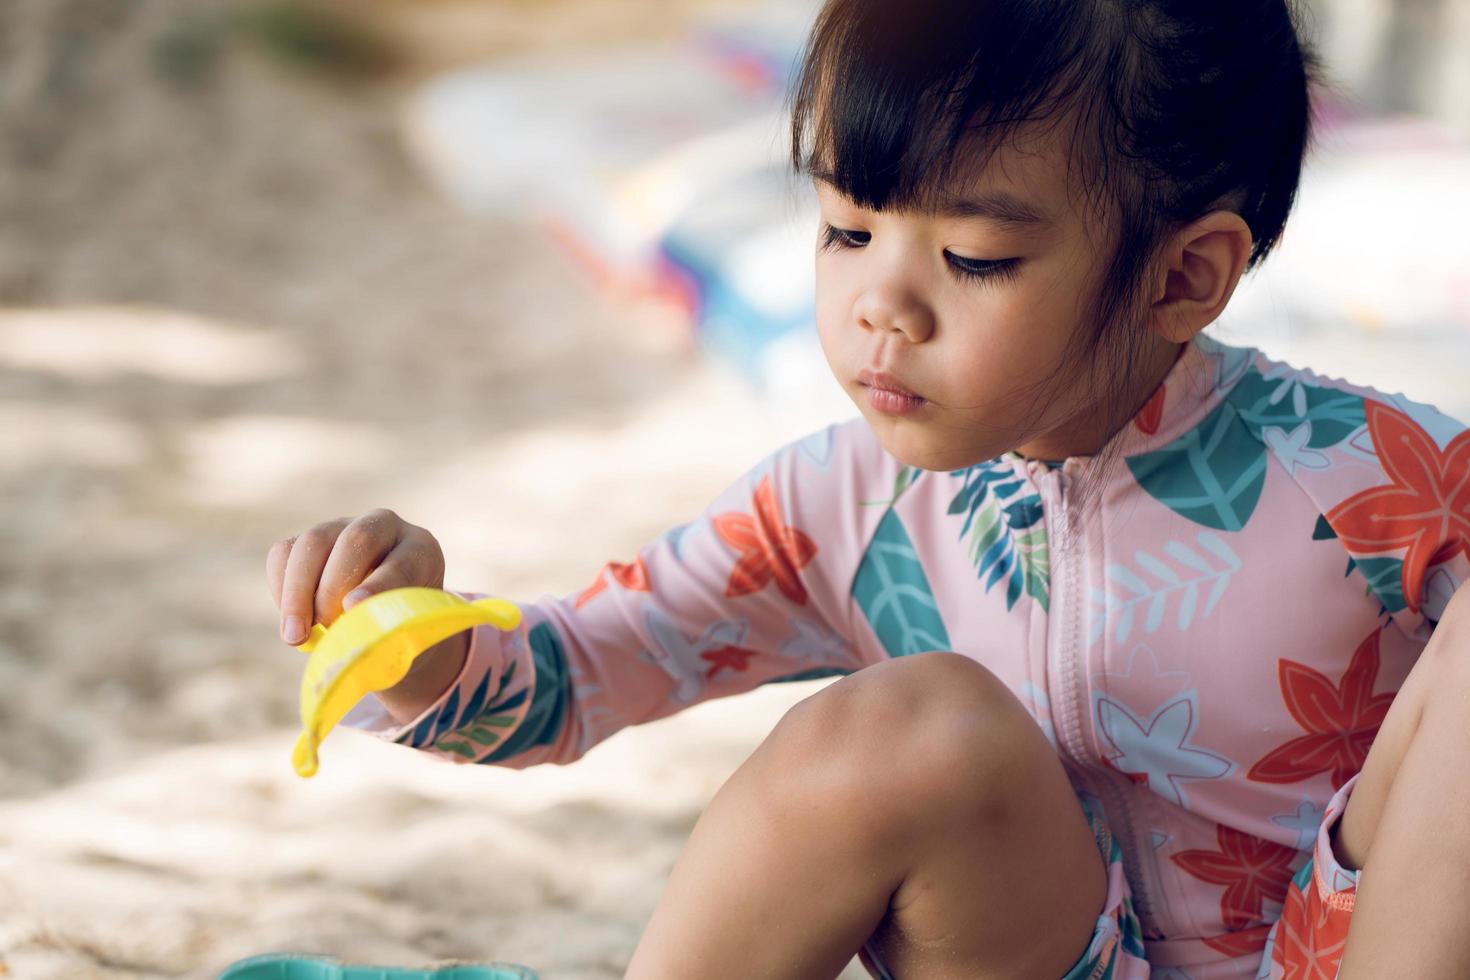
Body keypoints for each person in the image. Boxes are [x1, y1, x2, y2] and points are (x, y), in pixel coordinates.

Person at [265, 1, 1470, 977]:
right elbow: (571, 675)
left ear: (1182, 277)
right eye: (847, 229)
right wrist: (408, 641)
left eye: (974, 258)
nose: (880, 305)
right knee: (911, 725)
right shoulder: (841, 507)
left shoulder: (1366, 484)